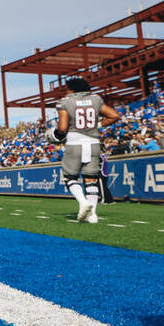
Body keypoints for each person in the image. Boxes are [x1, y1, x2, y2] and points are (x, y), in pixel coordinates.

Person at [49, 77, 121, 224]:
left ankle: (83, 202)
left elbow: (62, 128)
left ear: (71, 89)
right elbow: (114, 115)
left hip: (75, 142)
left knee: (70, 177)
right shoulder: (95, 99)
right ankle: (92, 215)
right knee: (91, 180)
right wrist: (98, 125)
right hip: (94, 143)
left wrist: (54, 136)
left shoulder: (65, 102)